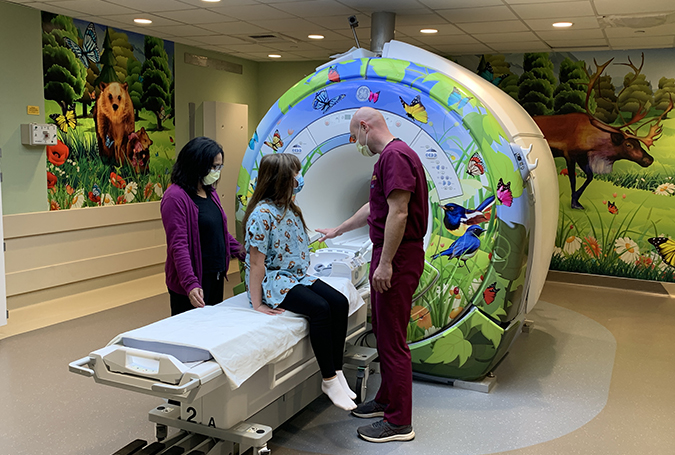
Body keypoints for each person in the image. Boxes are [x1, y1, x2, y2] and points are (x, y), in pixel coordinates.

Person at [317, 107, 428, 443]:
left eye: (354, 136)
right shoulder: (389, 158)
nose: (356, 142)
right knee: (383, 332)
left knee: (392, 341)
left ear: (365, 126)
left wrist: (385, 263)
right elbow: (375, 208)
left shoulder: (394, 157)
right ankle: (385, 400)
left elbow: (399, 212)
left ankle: (399, 423)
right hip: (391, 253)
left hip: (398, 256)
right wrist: (339, 229)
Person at [242, 153, 357, 411]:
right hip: (274, 281)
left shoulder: (291, 209)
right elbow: (258, 264)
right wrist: (257, 303)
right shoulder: (262, 215)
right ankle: (327, 379)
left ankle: (337, 372)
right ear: (282, 178)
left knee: (339, 302)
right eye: (296, 174)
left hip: (297, 275)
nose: (299, 178)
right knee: (320, 309)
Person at [161, 137, 246, 316]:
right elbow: (178, 245)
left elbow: (220, 233)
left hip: (214, 273)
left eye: (219, 167)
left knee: (212, 326)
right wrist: (190, 283)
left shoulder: (210, 192)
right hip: (191, 279)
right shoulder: (175, 197)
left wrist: (243, 253)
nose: (217, 171)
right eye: (213, 166)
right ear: (196, 164)